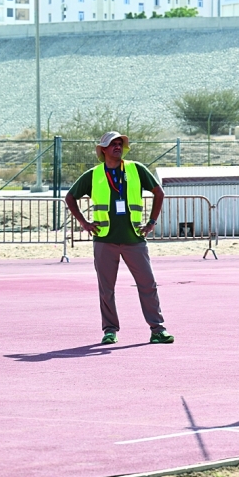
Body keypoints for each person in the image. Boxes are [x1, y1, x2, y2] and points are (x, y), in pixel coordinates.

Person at [64, 132, 173, 345]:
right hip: (105, 239)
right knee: (107, 288)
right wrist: (84, 223)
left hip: (134, 238)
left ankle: (157, 329)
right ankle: (110, 330)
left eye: (119, 144)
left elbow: (159, 193)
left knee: (148, 284)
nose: (117, 147)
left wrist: (151, 222)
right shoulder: (93, 175)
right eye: (112, 144)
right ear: (102, 150)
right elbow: (70, 197)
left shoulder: (135, 169)